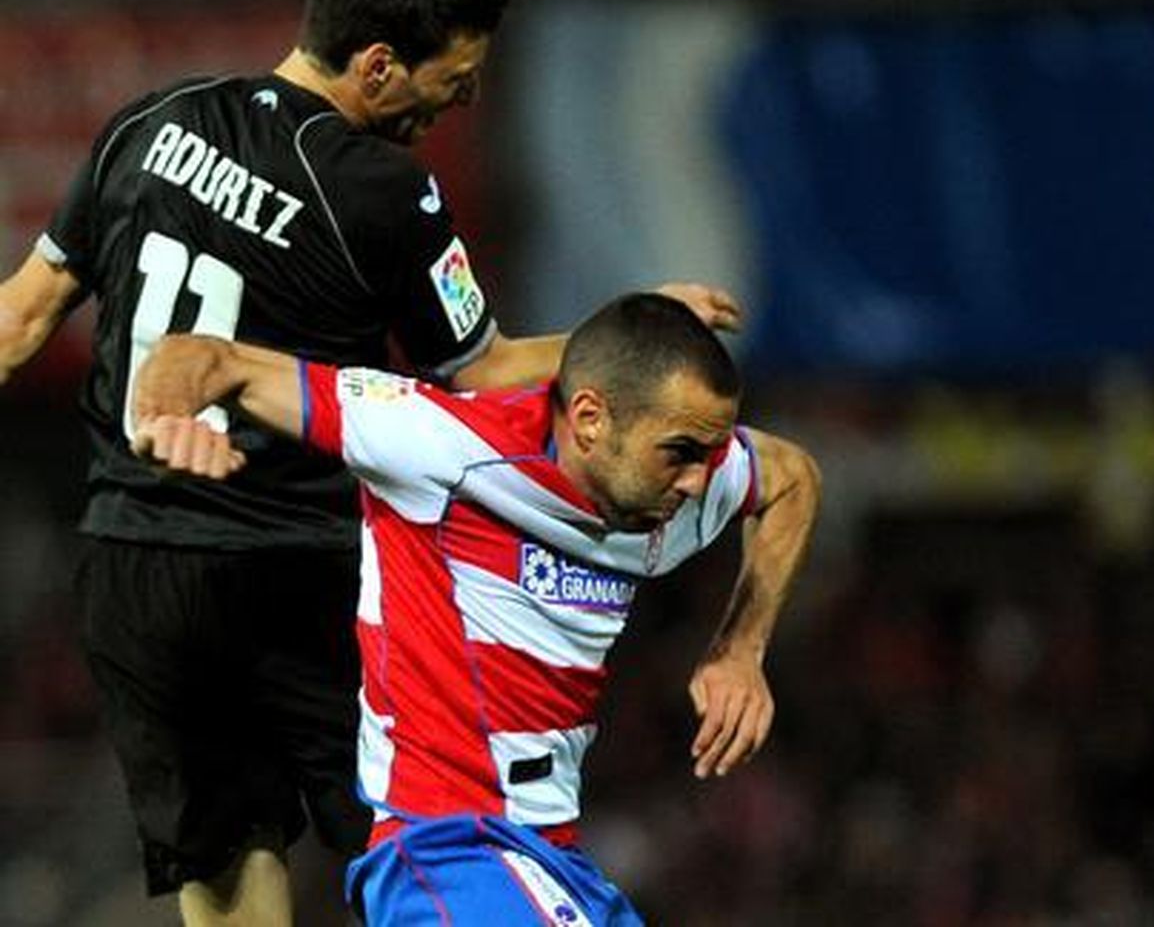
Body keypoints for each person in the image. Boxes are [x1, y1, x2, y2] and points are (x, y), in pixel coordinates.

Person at [0, 0, 738, 926]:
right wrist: (624, 331)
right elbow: (477, 369)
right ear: (381, 65)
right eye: (457, 74)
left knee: (228, 858)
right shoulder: (384, 192)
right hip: (302, 569)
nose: (465, 96)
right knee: (419, 836)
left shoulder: (150, 118)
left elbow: (21, 316)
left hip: (137, 563)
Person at [132, 292, 822, 925]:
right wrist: (161, 420)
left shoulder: (680, 485)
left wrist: (740, 648)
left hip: (549, 858)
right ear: (589, 419)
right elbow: (203, 357)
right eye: (680, 453)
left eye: (711, 452)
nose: (703, 477)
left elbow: (793, 477)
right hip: (447, 849)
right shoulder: (436, 443)